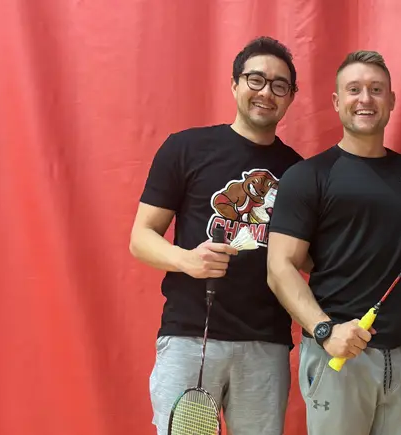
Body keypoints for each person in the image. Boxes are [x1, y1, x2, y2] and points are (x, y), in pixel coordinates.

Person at [128, 36, 308, 435]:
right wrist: (186, 259)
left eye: (280, 85)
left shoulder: (300, 172)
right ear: (234, 84)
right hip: (190, 337)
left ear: (291, 97)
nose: (266, 92)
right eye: (256, 79)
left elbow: (309, 257)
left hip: (266, 344)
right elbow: (141, 237)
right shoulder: (186, 148)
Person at [266, 50, 401, 435]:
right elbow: (279, 268)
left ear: (392, 100)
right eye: (354, 89)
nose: (365, 99)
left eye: (376, 90)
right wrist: (326, 331)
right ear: (336, 101)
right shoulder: (307, 176)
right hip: (337, 355)